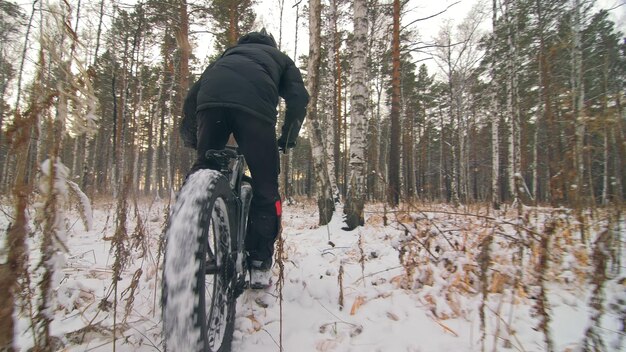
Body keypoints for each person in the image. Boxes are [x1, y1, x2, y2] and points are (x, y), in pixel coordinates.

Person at [180, 29, 309, 289]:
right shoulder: (280, 58)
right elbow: (298, 98)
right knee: (265, 188)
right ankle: (259, 264)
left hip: (211, 104)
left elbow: (192, 97)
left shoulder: (226, 56)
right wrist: (287, 138)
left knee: (202, 170)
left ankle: (189, 241)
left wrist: (192, 138)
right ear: (270, 44)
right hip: (255, 111)